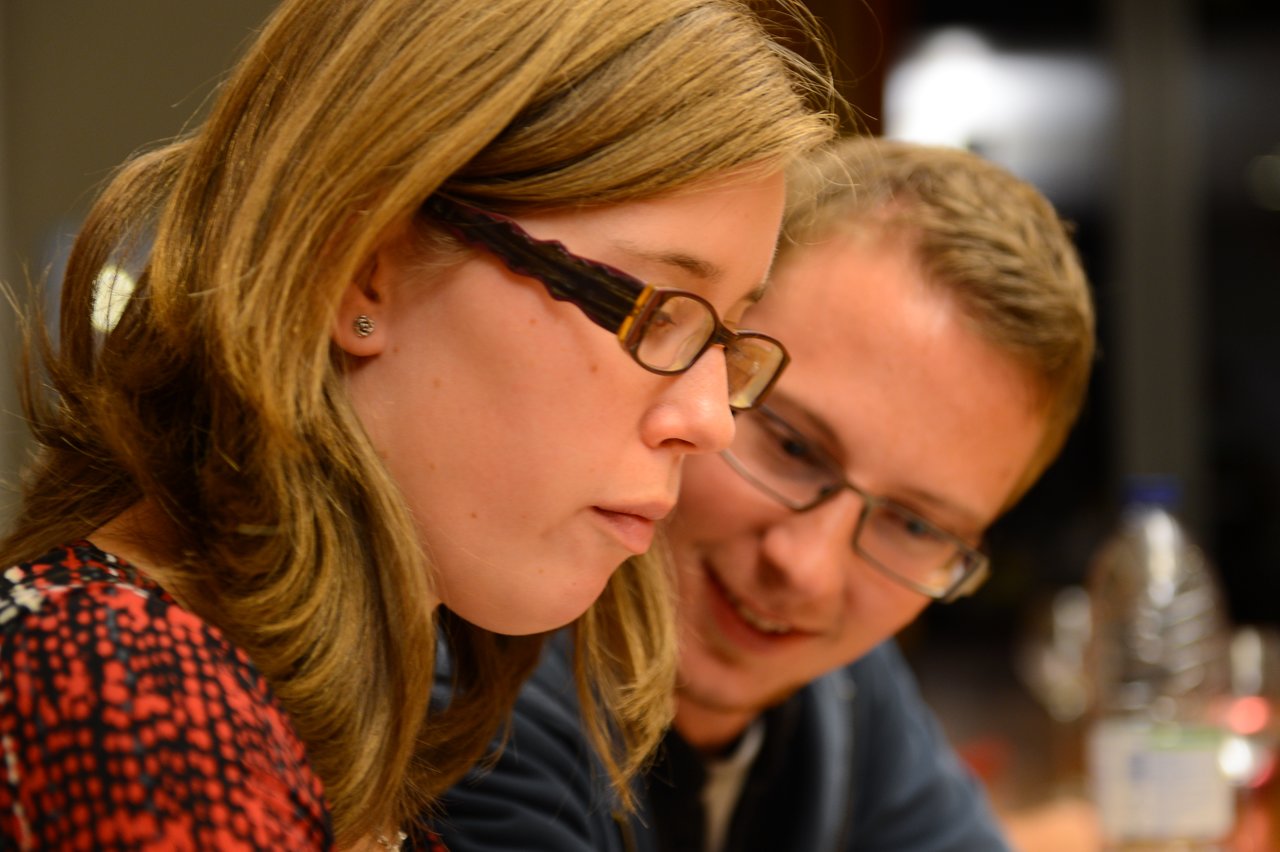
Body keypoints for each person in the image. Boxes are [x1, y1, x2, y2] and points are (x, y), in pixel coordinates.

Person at [0, 1, 837, 848]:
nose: (709, 422)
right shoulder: (124, 687)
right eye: (655, 311)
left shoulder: (275, 721)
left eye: (727, 338)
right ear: (363, 268)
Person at [429, 136, 1097, 851]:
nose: (806, 569)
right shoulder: (483, 670)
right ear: (689, 354)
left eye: (913, 524)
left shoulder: (840, 691)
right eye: (794, 448)